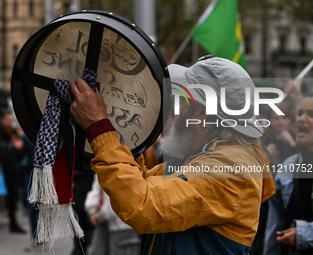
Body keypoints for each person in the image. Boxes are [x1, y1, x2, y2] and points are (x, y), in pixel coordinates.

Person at [69, 56, 275, 254]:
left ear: (202, 113)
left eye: (183, 100)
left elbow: (141, 204)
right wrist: (120, 125)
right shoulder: (208, 156)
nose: (176, 109)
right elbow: (139, 181)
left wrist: (99, 128)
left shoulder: (230, 168)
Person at [263, 94, 313, 255]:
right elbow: (275, 228)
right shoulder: (289, 166)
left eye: (310, 114)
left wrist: (305, 234)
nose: (302, 119)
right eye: (299, 114)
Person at [85, 175, 140, 255]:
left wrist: (98, 216)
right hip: (103, 221)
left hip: (123, 224)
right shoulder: (101, 164)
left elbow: (117, 200)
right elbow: (97, 187)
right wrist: (92, 210)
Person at [0, 110, 26, 233]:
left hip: (13, 171)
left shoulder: (14, 134)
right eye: (7, 119)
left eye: (11, 120)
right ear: (1, 120)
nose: (9, 122)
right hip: (0, 172)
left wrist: (19, 148)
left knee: (12, 198)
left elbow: (21, 154)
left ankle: (13, 224)